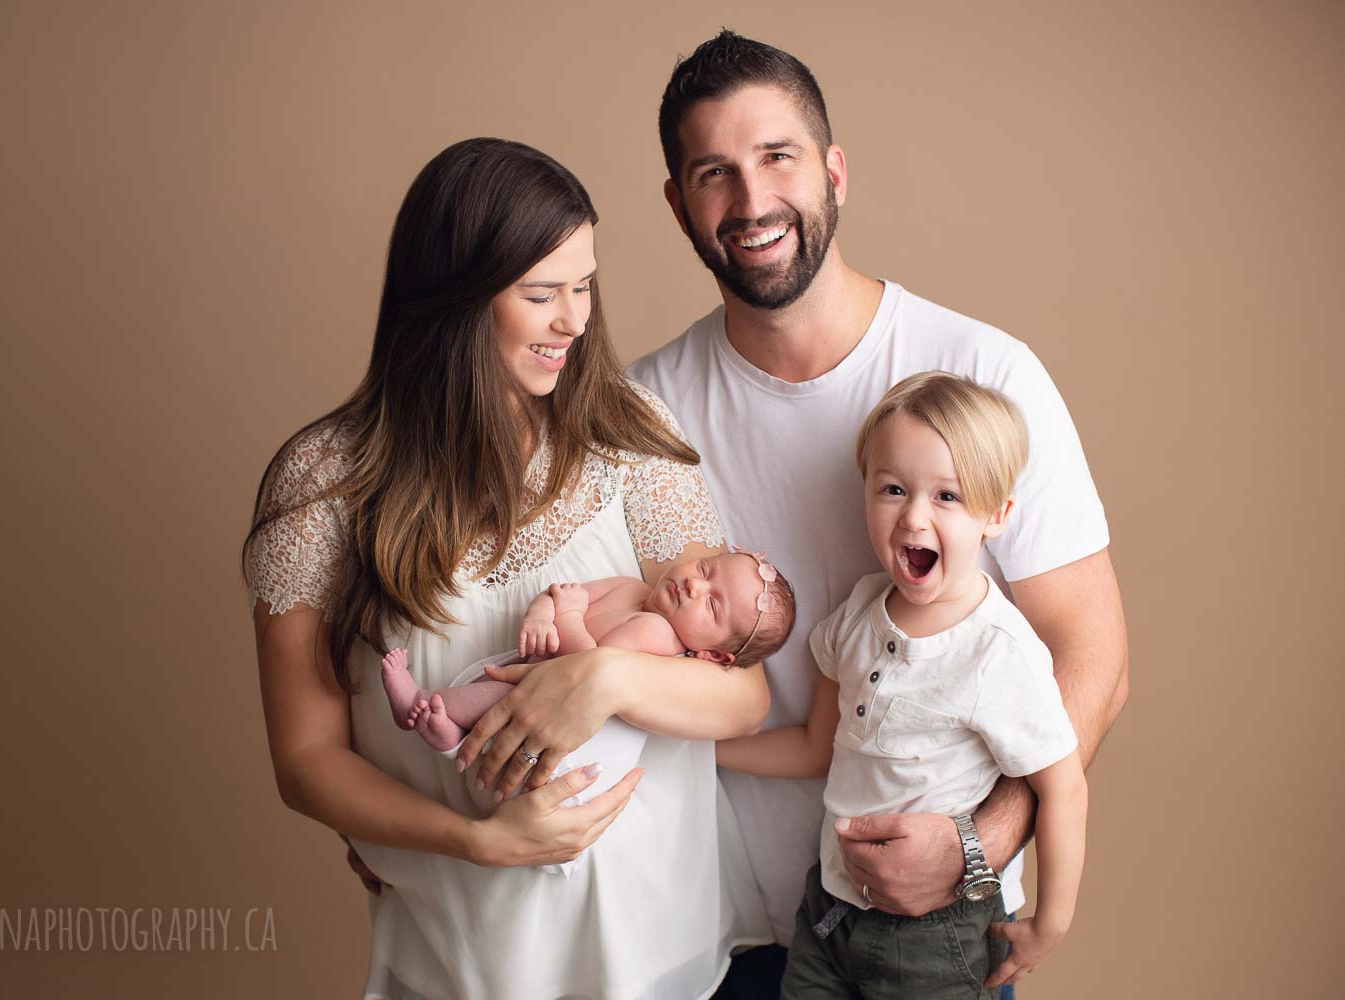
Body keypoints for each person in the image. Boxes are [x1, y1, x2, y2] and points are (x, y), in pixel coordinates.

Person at [627, 31, 1129, 999]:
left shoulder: (985, 373)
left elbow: (1093, 662)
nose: (751, 201)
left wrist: (974, 850)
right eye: (713, 173)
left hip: (929, 932)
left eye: (778, 157)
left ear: (835, 171)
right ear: (678, 203)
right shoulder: (640, 413)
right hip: (710, 932)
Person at [243, 137, 771, 999]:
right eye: (541, 293)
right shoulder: (323, 485)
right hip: (467, 959)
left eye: (585, 284)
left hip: (663, 953)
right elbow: (305, 758)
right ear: (452, 302)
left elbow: (742, 696)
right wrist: (479, 842)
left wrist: (601, 681)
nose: (575, 319)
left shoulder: (623, 429)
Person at [718, 373, 1087, 997]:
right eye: (892, 489)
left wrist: (1050, 922)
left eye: (947, 496)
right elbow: (815, 747)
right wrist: (705, 748)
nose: (913, 516)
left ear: (996, 513)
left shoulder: (998, 652)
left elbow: (1065, 791)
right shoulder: (860, 614)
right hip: (829, 911)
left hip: (934, 938)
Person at [382, 549, 796, 757]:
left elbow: (590, 665)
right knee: (487, 687)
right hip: (533, 670)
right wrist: (541, 616)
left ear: (714, 656)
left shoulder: (659, 636)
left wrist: (568, 613)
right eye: (704, 569)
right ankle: (449, 734)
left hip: (553, 698)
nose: (693, 586)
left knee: (490, 697)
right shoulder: (632, 588)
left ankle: (418, 705)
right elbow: (562, 592)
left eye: (711, 605)